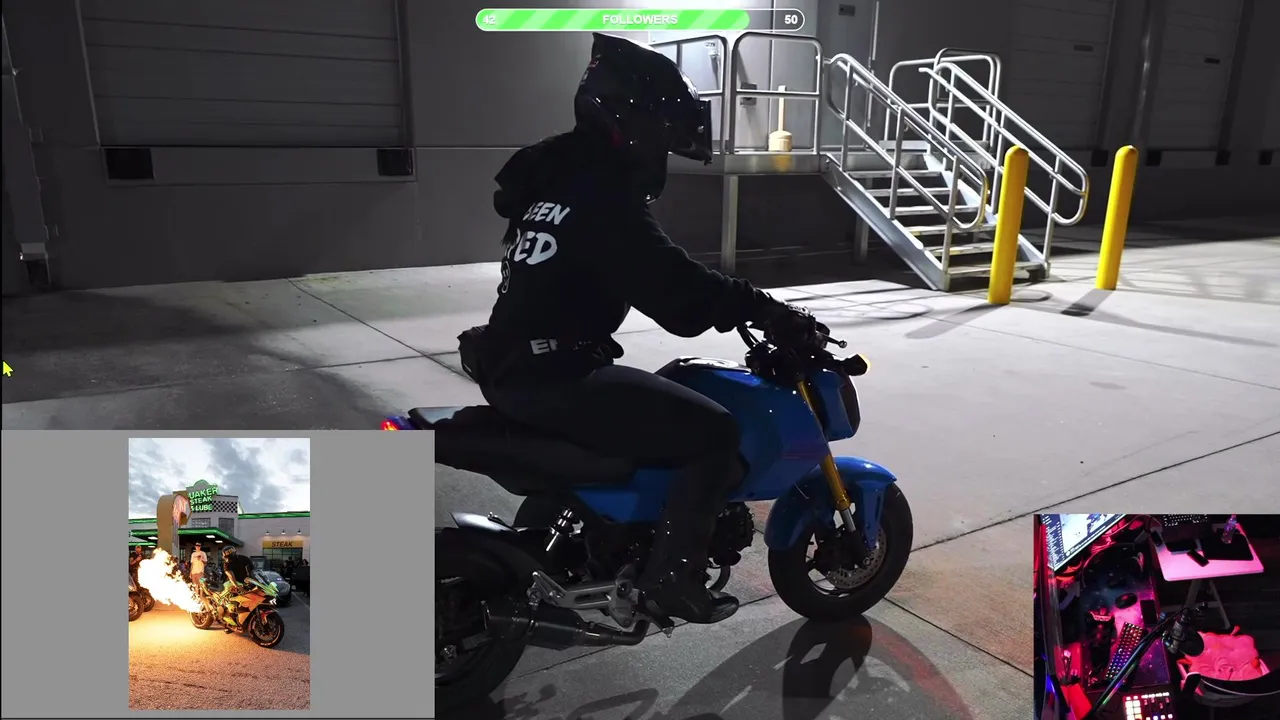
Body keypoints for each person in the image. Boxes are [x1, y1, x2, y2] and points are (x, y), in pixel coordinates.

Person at [457, 33, 825, 626]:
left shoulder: (557, 179)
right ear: (632, 124)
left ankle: (592, 536)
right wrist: (764, 308)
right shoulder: (603, 199)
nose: (663, 151)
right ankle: (673, 579)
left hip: (513, 361)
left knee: (652, 406)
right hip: (557, 372)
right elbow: (676, 289)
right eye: (661, 133)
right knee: (713, 429)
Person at [215, 546, 257, 631]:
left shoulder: (244, 559)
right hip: (232, 584)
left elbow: (252, 572)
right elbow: (231, 576)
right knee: (233, 603)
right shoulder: (227, 563)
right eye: (226, 557)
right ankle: (229, 623)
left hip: (245, 582)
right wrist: (237, 586)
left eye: (226, 557)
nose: (226, 559)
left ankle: (246, 618)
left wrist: (255, 582)